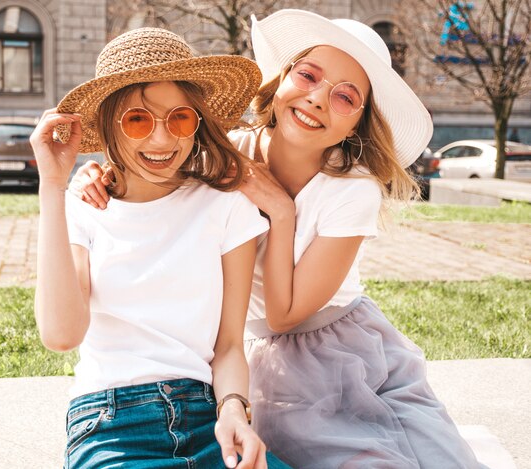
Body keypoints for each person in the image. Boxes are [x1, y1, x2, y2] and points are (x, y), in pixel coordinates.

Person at [70, 10, 483, 469]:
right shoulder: (231, 149)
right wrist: (101, 172)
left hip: (334, 347)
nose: (317, 100)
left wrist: (281, 212)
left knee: (382, 454)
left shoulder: (352, 189)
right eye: (308, 75)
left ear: (358, 123)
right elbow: (157, 161)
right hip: (246, 346)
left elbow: (285, 315)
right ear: (282, 78)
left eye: (345, 97)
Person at [31, 27, 291, 469]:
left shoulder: (226, 206)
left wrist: (235, 411)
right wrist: (52, 186)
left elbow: (229, 345)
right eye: (138, 119)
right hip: (110, 424)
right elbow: (61, 335)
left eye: (179, 118)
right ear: (110, 127)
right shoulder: (84, 206)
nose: (161, 139)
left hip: (206, 416)